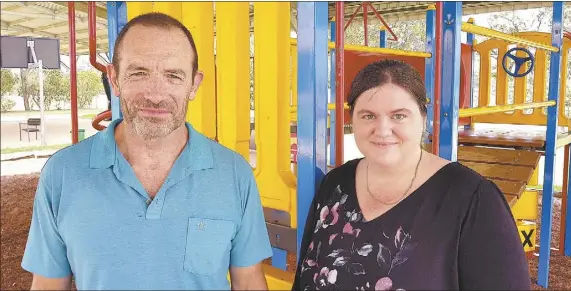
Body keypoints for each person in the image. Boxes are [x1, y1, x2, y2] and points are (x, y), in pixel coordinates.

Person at [21, 12, 272, 290]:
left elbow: (248, 282)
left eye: (173, 75)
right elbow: (48, 285)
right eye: (139, 73)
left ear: (194, 84)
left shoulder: (234, 173)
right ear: (114, 79)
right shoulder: (63, 173)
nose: (155, 94)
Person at [292, 60, 531, 290]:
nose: (383, 130)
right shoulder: (336, 184)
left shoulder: (472, 199)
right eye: (368, 116)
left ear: (423, 119)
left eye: (398, 115)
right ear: (352, 120)